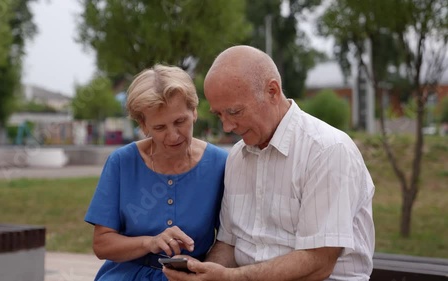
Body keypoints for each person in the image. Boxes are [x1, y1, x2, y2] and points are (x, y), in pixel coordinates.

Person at [164, 45, 375, 281]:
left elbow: (319, 262)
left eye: (234, 112)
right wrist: (204, 273)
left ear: (272, 91)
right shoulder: (237, 156)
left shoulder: (327, 150)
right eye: (219, 115)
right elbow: (229, 243)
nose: (227, 127)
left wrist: (229, 278)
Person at [85, 64, 228, 281]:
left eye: (180, 121)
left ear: (194, 111)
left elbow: (229, 240)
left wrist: (205, 271)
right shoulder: (122, 162)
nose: (173, 136)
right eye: (160, 128)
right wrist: (149, 243)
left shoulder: (220, 164)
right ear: (143, 125)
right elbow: (102, 244)